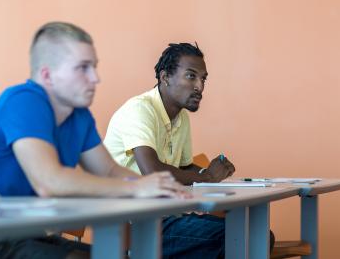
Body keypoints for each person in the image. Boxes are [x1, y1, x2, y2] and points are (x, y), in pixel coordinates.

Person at [0, 22, 187, 259]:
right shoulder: (23, 100)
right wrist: (136, 188)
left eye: (95, 67)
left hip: (16, 233)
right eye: (83, 68)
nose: (96, 78)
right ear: (47, 75)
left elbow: (109, 171)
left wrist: (155, 187)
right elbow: (49, 181)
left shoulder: (78, 115)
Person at [104, 43, 274, 258]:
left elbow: (184, 168)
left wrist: (213, 172)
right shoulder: (140, 109)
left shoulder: (180, 117)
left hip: (167, 216)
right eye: (191, 76)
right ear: (165, 77)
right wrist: (208, 176)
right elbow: (152, 170)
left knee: (258, 234)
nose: (200, 87)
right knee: (241, 238)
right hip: (134, 225)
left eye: (203, 79)